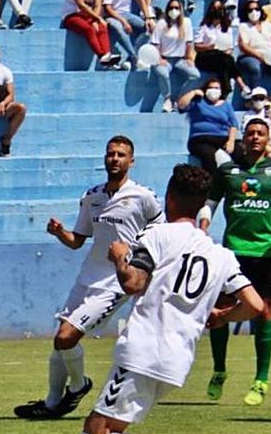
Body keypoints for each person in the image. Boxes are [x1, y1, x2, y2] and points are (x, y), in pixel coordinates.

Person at [8, 164, 263, 434]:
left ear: (170, 198)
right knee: (99, 429)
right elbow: (255, 306)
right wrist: (221, 316)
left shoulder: (158, 235)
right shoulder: (220, 254)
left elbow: (132, 282)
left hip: (143, 348)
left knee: (99, 433)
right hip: (177, 358)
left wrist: (118, 256)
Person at [14, 137, 163, 419]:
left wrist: (143, 268)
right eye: (110, 154)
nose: (115, 159)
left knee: (66, 336)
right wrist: (60, 232)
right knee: (60, 342)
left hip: (116, 283)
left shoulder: (143, 197)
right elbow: (77, 240)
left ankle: (79, 387)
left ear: (131, 161)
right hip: (87, 278)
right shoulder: (92, 196)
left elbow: (161, 237)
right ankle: (51, 402)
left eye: (121, 155)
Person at [200, 118, 271, 405]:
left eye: (261, 133)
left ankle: (261, 379)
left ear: (267, 138)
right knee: (219, 309)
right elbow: (211, 202)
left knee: (263, 313)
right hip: (233, 251)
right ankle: (219, 370)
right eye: (251, 133)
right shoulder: (228, 171)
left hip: (267, 253)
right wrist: (205, 220)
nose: (255, 137)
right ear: (244, 139)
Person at [237, 0, 271, 110]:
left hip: (269, 55)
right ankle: (256, 99)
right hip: (250, 56)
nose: (254, 12)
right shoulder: (243, 26)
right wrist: (259, 56)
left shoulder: (268, 25)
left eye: (256, 9)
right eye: (250, 10)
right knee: (254, 67)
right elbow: (244, 46)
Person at [177, 78, 239, 172]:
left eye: (216, 88)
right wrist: (193, 93)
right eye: (210, 87)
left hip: (221, 138)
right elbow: (181, 106)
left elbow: (233, 124)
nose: (213, 90)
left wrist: (231, 141)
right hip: (199, 139)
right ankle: (211, 183)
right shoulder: (198, 102)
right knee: (208, 155)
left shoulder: (226, 105)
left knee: (240, 150)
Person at [104, 0, 153, 71]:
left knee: (147, 29)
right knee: (118, 27)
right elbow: (108, 8)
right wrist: (123, 21)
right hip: (112, 15)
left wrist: (148, 17)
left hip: (127, 13)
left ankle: (130, 60)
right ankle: (135, 58)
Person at [151, 0, 200, 113]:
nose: (174, 10)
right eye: (171, 8)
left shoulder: (186, 22)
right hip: (165, 59)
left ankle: (179, 98)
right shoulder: (161, 23)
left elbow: (189, 43)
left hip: (180, 59)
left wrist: (190, 58)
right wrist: (159, 58)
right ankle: (167, 99)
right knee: (163, 73)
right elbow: (155, 43)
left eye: (177, 8)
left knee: (195, 75)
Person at [193, 0, 247, 96]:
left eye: (219, 8)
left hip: (222, 58)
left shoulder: (227, 28)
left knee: (225, 60)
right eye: (215, 8)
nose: (217, 11)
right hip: (205, 56)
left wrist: (226, 51)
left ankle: (226, 89)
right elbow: (197, 46)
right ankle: (241, 85)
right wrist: (208, 46)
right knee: (226, 59)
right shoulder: (204, 27)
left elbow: (230, 47)